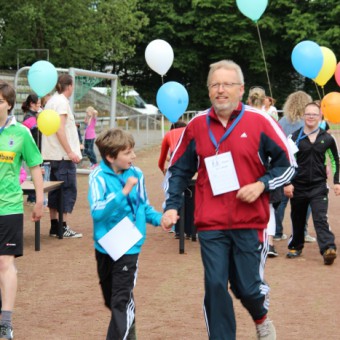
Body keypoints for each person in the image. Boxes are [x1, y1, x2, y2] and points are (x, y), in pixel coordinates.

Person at [161, 60, 295, 340]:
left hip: (250, 221)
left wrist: (262, 184)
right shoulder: (197, 125)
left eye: (227, 84)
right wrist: (172, 206)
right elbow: (178, 170)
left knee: (246, 287)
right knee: (215, 284)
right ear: (209, 90)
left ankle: (261, 318)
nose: (221, 90)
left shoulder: (260, 121)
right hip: (211, 223)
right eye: (215, 84)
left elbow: (288, 164)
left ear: (241, 89)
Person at [88, 128, 166, 340]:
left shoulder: (137, 174)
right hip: (105, 246)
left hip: (129, 245)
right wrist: (122, 193)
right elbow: (97, 213)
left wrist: (161, 219)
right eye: (128, 152)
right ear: (111, 157)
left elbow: (144, 206)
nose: (134, 156)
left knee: (120, 301)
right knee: (112, 301)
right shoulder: (98, 176)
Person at [0, 81, 44, 339]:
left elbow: (35, 166)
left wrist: (39, 200)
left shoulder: (21, 133)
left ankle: (6, 322)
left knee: (5, 262)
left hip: (9, 206)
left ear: (8, 105)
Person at [284, 102, 340, 264]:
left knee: (320, 217)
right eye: (308, 114)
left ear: (320, 117)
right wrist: (287, 183)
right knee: (298, 218)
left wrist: (337, 182)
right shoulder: (293, 137)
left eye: (314, 114)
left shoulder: (328, 138)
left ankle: (328, 249)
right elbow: (286, 161)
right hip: (298, 186)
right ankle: (295, 246)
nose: (311, 117)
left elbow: (336, 160)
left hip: (318, 186)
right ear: (303, 116)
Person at [41, 74, 83, 238]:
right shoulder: (62, 102)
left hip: (52, 154)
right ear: (70, 86)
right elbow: (60, 129)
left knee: (54, 190)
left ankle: (54, 226)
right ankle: (63, 226)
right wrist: (70, 151)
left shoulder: (51, 101)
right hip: (62, 156)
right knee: (66, 189)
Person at [275, 91, 315, 242]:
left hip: (283, 165)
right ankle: (301, 232)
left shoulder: (282, 122)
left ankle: (277, 232)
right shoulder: (307, 123)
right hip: (303, 166)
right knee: (305, 201)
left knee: (280, 200)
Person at [247, 87, 281, 258]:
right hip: (270, 170)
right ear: (265, 101)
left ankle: (254, 241)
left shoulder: (243, 120)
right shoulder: (272, 120)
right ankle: (270, 243)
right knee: (268, 207)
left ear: (248, 101)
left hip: (249, 168)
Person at [21, 94, 42, 205]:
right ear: (32, 104)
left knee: (38, 173)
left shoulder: (37, 114)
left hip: (38, 147)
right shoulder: (29, 116)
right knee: (36, 172)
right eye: (38, 103)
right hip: (33, 147)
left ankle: (33, 197)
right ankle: (32, 197)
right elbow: (32, 130)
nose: (40, 105)